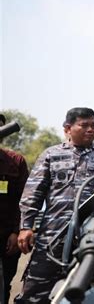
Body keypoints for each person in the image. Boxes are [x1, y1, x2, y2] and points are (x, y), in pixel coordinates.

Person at [16, 107, 94, 303]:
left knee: (88, 292)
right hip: (52, 237)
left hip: (90, 238)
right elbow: (33, 192)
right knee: (34, 293)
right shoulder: (51, 155)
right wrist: (26, 226)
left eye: (93, 125)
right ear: (68, 129)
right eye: (84, 125)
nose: (90, 130)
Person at [0, 114, 29, 304]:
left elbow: (24, 200)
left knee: (4, 284)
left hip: (5, 236)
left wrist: (15, 231)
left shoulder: (14, 161)